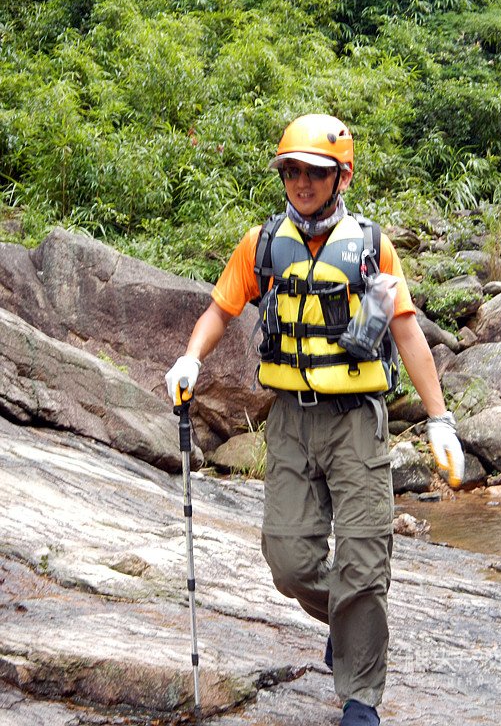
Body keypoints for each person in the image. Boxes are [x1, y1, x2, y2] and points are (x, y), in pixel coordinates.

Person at [165, 114, 465, 726]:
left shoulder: (371, 246)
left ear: (342, 177)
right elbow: (221, 309)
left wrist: (440, 420)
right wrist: (191, 357)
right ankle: (350, 626)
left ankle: (360, 698)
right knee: (289, 561)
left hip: (356, 422)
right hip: (289, 423)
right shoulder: (262, 244)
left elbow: (407, 331)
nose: (302, 182)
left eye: (316, 172)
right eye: (292, 171)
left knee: (364, 559)